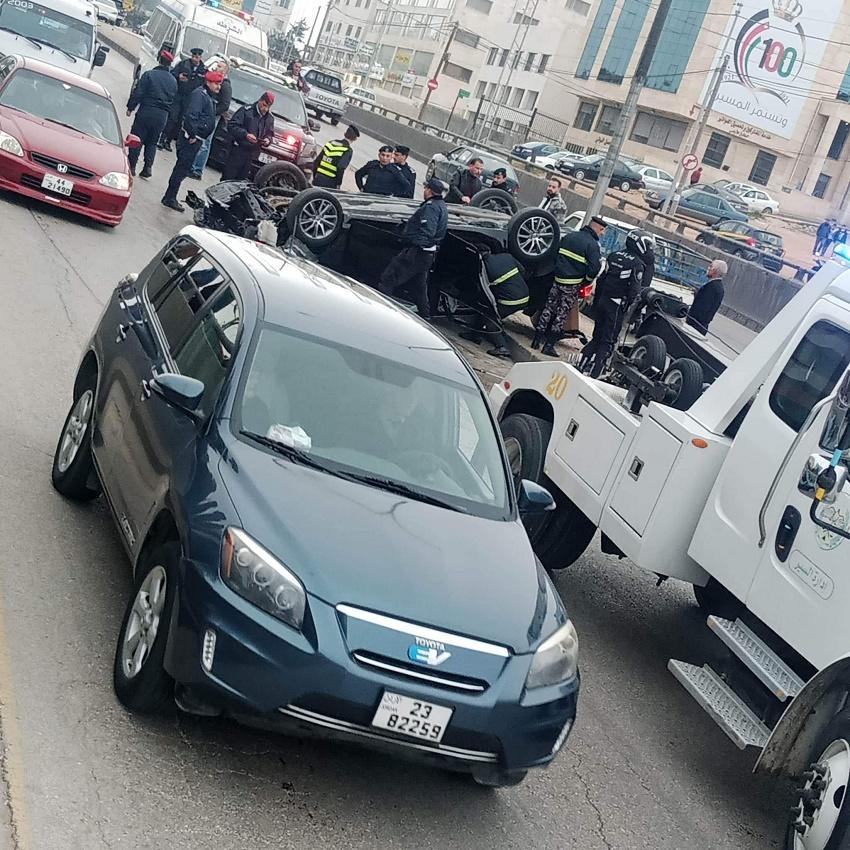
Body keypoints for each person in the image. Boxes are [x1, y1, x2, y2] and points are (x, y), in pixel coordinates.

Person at [580, 230, 651, 378]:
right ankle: (596, 372)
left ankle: (582, 364)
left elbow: (601, 280)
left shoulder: (613, 255)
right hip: (616, 306)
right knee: (608, 340)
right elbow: (634, 291)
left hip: (602, 301)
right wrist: (632, 310)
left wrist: (598, 300)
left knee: (597, 336)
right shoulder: (637, 264)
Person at [533, 215, 606, 356]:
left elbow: (555, 255)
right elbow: (594, 268)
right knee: (561, 314)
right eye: (602, 230)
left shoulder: (569, 236)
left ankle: (536, 340)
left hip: (557, 279)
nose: (602, 234)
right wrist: (585, 281)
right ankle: (549, 345)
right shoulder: (592, 245)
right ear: (596, 228)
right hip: (572, 284)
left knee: (548, 308)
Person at [377, 177, 448, 319]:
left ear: (430, 190)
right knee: (419, 288)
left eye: (426, 188)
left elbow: (428, 231)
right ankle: (425, 316)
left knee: (388, 279)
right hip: (427, 255)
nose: (424, 190)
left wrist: (411, 241)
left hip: (417, 253)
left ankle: (381, 311)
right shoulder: (441, 206)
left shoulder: (431, 207)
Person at [161, 70, 222, 212]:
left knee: (184, 168)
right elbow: (191, 116)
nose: (218, 87)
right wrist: (193, 134)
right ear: (208, 82)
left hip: (197, 138)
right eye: (216, 83)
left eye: (219, 84)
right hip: (191, 139)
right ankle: (169, 197)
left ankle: (171, 196)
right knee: (181, 168)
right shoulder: (200, 95)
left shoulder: (208, 96)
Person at [459, 250, 529, 358]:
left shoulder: (485, 267)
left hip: (510, 301)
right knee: (484, 310)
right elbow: (523, 271)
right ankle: (474, 334)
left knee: (491, 319)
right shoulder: (507, 256)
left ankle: (502, 347)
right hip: (525, 295)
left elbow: (484, 288)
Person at [125, 50, 177, 179]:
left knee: (137, 138)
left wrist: (130, 107)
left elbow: (139, 92)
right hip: (162, 116)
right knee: (152, 142)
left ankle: (132, 166)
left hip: (147, 111)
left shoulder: (149, 75)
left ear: (159, 60)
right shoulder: (173, 81)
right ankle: (147, 167)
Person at [189, 59, 231, 179]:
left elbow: (225, 104)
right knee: (200, 140)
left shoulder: (225, 85)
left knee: (205, 142)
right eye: (217, 65)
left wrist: (212, 112)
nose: (217, 67)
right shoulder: (215, 80)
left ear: (226, 70)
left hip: (213, 116)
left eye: (220, 66)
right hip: (207, 114)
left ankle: (197, 170)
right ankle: (192, 166)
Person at [221, 91, 275, 181]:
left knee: (242, 182)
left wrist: (268, 140)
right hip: (238, 150)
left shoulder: (269, 118)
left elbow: (270, 134)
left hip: (252, 155)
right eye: (264, 105)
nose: (265, 109)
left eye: (268, 107)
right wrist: (245, 135)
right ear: (260, 100)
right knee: (228, 178)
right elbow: (232, 126)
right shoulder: (246, 111)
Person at [159, 47, 206, 150]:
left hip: (190, 99)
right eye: (194, 56)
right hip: (179, 95)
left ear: (200, 57)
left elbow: (203, 84)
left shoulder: (203, 70)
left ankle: (168, 141)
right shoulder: (183, 64)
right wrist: (178, 77)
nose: (195, 58)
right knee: (172, 118)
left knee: (180, 121)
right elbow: (172, 74)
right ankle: (162, 139)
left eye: (197, 56)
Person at [686, 259, 726, 335]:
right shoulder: (718, 287)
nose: (708, 268)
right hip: (701, 326)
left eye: (711, 266)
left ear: (715, 271)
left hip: (695, 326)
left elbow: (702, 308)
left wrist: (689, 317)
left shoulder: (712, 287)